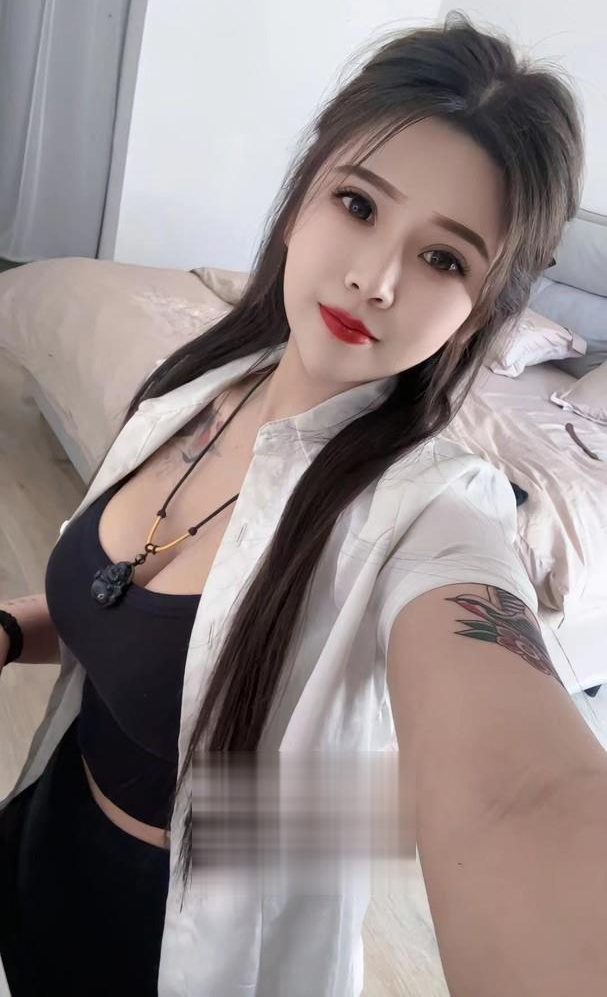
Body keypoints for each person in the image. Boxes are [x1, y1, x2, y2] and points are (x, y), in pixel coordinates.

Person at [1, 10, 605, 996]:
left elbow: (520, 793)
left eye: (444, 259)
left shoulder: (431, 511)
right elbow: (121, 615)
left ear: (479, 313)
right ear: (301, 197)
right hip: (40, 846)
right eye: (358, 204)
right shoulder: (199, 386)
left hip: (163, 949)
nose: (374, 278)